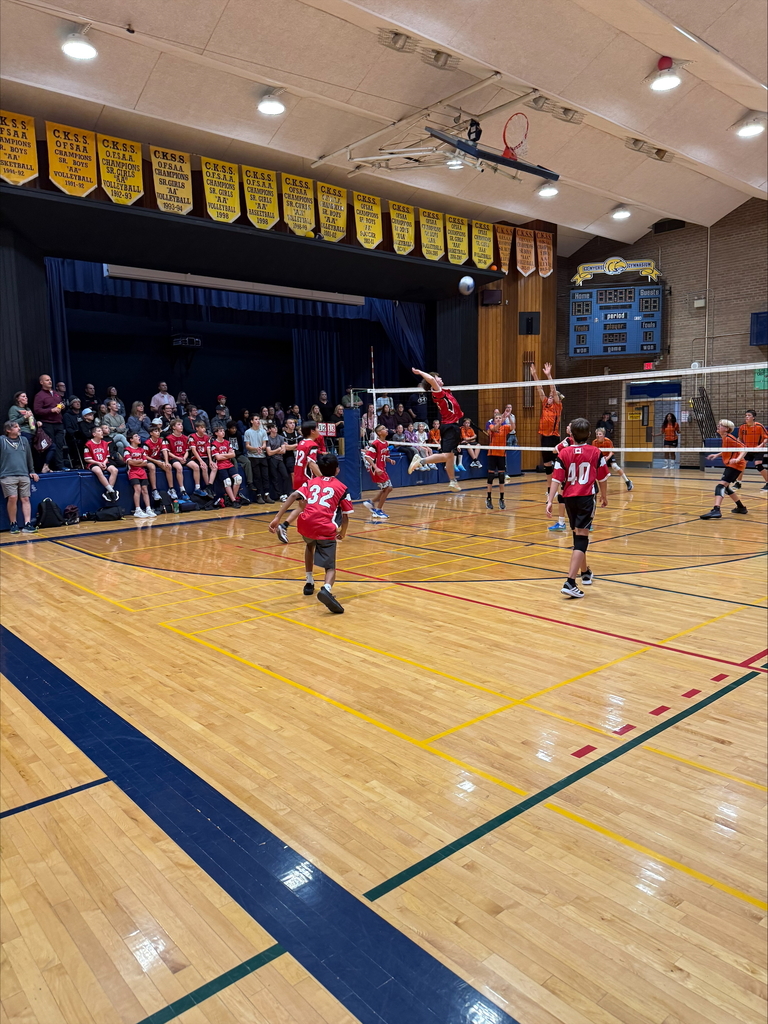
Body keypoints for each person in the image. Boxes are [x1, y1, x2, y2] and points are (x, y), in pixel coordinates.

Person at [269, 452, 353, 614]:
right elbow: (345, 516)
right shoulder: (342, 488)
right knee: (330, 568)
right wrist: (343, 532)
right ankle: (326, 589)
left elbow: (294, 495)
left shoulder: (311, 482)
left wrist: (277, 518)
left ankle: (309, 581)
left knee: (310, 545)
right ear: (337, 470)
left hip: (305, 524)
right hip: (324, 526)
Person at [546, 418, 609, 598]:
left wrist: (550, 500)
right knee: (582, 537)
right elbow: (603, 479)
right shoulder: (595, 452)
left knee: (579, 534)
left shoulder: (564, 453)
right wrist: (604, 496)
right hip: (586, 498)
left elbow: (557, 478)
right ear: (589, 435)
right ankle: (570, 582)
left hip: (569, 499)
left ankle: (585, 573)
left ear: (571, 435)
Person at [407, 368, 464, 491]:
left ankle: (453, 481)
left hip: (452, 426)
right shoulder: (437, 391)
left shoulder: (444, 391)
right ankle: (421, 461)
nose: (440, 378)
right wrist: (420, 372)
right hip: (450, 426)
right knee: (446, 455)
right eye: (439, 378)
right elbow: (431, 379)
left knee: (450, 456)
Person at [275, 421, 323, 543]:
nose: (319, 431)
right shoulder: (312, 445)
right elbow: (311, 464)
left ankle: (283, 526)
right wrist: (323, 478)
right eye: (317, 428)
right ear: (312, 431)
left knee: (302, 506)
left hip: (298, 476)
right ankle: (313, 530)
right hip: (306, 478)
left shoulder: (302, 442)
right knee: (315, 506)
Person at [700, 420, 748, 519]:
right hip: (733, 465)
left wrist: (737, 459)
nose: (718, 426)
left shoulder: (729, 438)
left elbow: (744, 448)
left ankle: (716, 510)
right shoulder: (725, 438)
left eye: (721, 425)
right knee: (725, 488)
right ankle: (741, 507)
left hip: (736, 465)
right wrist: (716, 454)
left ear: (726, 429)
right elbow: (727, 450)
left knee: (720, 486)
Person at [1, 421, 39, 534]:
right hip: (7, 475)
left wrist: (32, 471)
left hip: (23, 474)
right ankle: (13, 524)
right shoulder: (2, 440)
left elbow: (29, 457)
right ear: (8, 430)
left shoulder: (24, 440)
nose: (19, 428)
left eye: (19, 426)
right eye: (16, 427)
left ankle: (27, 524)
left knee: (25, 498)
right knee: (12, 497)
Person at [530, 362, 563, 492]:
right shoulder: (545, 404)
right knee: (547, 466)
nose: (549, 398)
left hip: (554, 438)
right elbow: (539, 389)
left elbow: (553, 390)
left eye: (551, 397)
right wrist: (535, 375)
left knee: (559, 465)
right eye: (548, 397)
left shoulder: (558, 406)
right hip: (544, 437)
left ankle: (561, 486)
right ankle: (550, 489)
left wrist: (549, 375)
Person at [362, 423, 397, 520]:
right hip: (376, 470)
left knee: (387, 488)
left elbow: (384, 456)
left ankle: (372, 502)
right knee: (388, 488)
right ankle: (378, 509)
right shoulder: (375, 443)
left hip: (382, 469)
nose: (386, 429)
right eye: (383, 428)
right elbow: (367, 456)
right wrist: (376, 468)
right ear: (379, 433)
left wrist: (390, 460)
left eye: (385, 428)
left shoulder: (385, 443)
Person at [33, 373, 67, 470]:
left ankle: (60, 466)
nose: (50, 381)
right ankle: (50, 466)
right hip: (48, 423)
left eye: (50, 380)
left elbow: (59, 405)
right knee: (51, 446)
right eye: (47, 380)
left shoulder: (56, 394)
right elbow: (37, 410)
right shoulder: (39, 395)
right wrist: (50, 410)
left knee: (60, 445)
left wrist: (62, 406)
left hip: (59, 423)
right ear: (41, 382)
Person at [166, 419, 205, 499]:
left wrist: (184, 457)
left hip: (183, 457)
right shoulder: (169, 438)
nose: (181, 426)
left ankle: (197, 488)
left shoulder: (185, 437)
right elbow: (167, 452)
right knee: (179, 468)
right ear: (173, 427)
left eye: (181, 424)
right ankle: (182, 490)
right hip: (174, 457)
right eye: (179, 424)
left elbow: (187, 451)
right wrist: (178, 458)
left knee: (196, 466)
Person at [547, 422, 574, 532]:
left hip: (566, 471)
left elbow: (554, 450)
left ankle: (562, 522)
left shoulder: (568, 440)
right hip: (577, 472)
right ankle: (585, 522)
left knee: (562, 496)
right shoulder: (582, 441)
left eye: (569, 426)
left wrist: (563, 445)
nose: (567, 426)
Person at [210, 425, 246, 506]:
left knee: (238, 479)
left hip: (229, 464)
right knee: (227, 482)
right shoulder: (214, 444)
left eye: (223, 431)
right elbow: (218, 457)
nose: (223, 432)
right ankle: (233, 500)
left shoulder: (227, 442)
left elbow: (233, 455)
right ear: (216, 433)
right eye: (220, 431)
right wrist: (227, 454)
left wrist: (225, 455)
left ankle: (232, 498)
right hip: (220, 466)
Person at [123, 431, 156, 519]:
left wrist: (136, 462)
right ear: (131, 439)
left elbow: (145, 463)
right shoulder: (127, 450)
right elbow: (129, 462)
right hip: (133, 472)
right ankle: (138, 510)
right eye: (136, 436)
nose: (139, 438)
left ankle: (148, 509)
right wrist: (138, 461)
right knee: (137, 489)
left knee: (145, 490)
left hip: (142, 472)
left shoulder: (142, 450)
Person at [483, 413, 512, 509]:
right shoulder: (491, 426)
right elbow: (494, 429)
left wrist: (508, 418)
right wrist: (502, 419)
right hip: (492, 454)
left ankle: (502, 499)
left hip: (501, 455)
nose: (498, 419)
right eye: (497, 418)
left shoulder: (505, 428)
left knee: (501, 477)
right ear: (494, 420)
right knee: (490, 477)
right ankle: (489, 498)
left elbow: (513, 427)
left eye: (500, 418)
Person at [84, 425, 119, 502]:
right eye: (99, 431)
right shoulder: (88, 444)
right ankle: (112, 491)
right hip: (93, 462)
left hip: (104, 461)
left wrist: (103, 462)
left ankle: (108, 491)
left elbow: (107, 456)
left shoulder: (105, 443)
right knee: (98, 471)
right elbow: (87, 459)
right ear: (94, 434)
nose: (102, 432)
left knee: (114, 470)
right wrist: (98, 463)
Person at [144, 423, 176, 500]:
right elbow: (145, 456)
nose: (158, 433)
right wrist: (155, 461)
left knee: (168, 467)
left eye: (158, 431)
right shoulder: (147, 443)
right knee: (152, 467)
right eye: (156, 431)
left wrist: (166, 461)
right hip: (149, 459)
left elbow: (165, 451)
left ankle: (171, 489)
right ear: (151, 433)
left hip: (157, 459)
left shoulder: (161, 440)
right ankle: (154, 491)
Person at [738, 410, 768, 489]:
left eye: (749, 415)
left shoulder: (759, 426)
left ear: (753, 417)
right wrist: (739, 446)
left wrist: (761, 446)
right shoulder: (742, 427)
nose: (747, 417)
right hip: (747, 449)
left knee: (758, 465)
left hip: (758, 449)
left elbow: (766, 438)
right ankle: (738, 483)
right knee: (741, 465)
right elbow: (740, 439)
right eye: (746, 415)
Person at [244, 415, 271, 503]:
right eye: (256, 419)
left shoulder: (263, 431)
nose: (258, 421)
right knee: (257, 477)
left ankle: (267, 495)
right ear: (251, 421)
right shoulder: (248, 432)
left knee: (265, 476)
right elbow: (247, 446)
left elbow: (264, 444)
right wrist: (256, 449)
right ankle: (259, 495)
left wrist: (261, 448)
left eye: (259, 419)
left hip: (262, 456)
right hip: (253, 456)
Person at [265, 422, 293, 501]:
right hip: (272, 460)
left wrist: (275, 451)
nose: (276, 429)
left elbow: (283, 451)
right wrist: (277, 449)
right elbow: (269, 453)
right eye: (273, 428)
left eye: (276, 427)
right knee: (275, 478)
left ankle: (285, 493)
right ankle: (279, 495)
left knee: (285, 476)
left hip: (280, 459)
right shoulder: (267, 439)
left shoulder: (280, 437)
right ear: (270, 430)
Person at [188, 421, 216, 496]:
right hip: (196, 457)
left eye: (204, 427)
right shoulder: (192, 437)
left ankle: (209, 487)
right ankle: (207, 487)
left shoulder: (207, 437)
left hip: (205, 456)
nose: (204, 429)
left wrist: (210, 460)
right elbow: (193, 450)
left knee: (214, 467)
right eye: (202, 427)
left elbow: (208, 449)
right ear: (197, 428)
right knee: (204, 467)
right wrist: (200, 461)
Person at [225, 421, 253, 492]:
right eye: (232, 428)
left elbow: (241, 447)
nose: (234, 430)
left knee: (247, 462)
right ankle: (236, 483)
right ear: (228, 429)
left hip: (238, 454)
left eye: (235, 428)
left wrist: (238, 453)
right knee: (234, 463)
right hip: (230, 455)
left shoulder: (238, 434)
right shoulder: (225, 435)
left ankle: (250, 483)